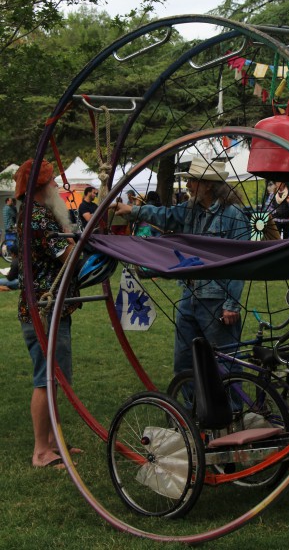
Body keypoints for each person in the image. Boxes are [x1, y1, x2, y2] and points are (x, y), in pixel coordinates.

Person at [113, 156, 250, 374]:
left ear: (208, 185)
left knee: (225, 364)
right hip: (189, 295)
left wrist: (231, 305)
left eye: (192, 181)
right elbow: (165, 215)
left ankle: (232, 408)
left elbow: (241, 263)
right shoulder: (190, 209)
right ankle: (188, 407)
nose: (187, 186)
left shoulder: (234, 215)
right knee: (185, 362)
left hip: (216, 301)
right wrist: (132, 211)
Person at [14, 158, 81, 469]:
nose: (57, 186)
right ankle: (42, 450)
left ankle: (53, 441)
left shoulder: (38, 215)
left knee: (56, 377)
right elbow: (68, 257)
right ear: (41, 187)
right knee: (46, 379)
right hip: (43, 312)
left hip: (50, 309)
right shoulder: (38, 219)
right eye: (52, 181)